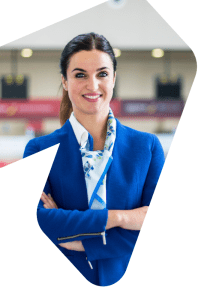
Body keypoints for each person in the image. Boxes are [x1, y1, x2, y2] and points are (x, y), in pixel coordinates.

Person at [23, 32, 165, 286]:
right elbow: (38, 222)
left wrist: (81, 242)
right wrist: (122, 218)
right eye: (80, 75)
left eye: (102, 74)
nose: (92, 85)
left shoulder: (147, 147)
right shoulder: (39, 149)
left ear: (113, 79)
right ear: (65, 82)